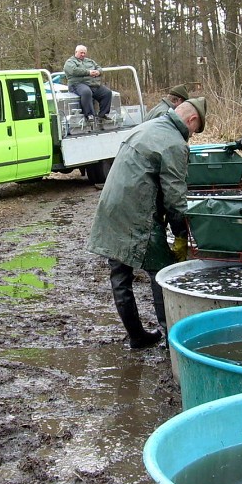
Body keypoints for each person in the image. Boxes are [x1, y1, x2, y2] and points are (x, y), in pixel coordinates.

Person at [88, 97, 207, 348]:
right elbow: (175, 198)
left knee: (120, 275)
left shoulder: (147, 127)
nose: (192, 135)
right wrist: (182, 234)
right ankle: (172, 339)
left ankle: (137, 336)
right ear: (192, 120)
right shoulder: (174, 143)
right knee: (162, 273)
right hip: (138, 214)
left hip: (111, 207)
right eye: (195, 130)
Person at [63, 44, 113, 124]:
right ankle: (89, 115)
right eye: (81, 53)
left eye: (84, 53)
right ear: (76, 52)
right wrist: (88, 72)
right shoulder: (70, 62)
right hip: (77, 84)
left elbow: (99, 67)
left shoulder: (90, 61)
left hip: (92, 84)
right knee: (86, 92)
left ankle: (103, 114)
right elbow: (74, 71)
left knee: (107, 93)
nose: (83, 54)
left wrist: (98, 72)